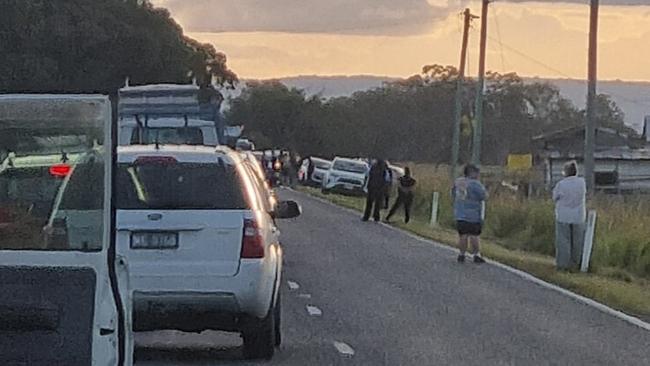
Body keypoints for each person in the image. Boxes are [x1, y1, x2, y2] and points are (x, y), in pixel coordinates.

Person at [552, 161, 586, 271]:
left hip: (563, 215)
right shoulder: (582, 182)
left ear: (566, 172)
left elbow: (554, 197)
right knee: (577, 241)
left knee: (563, 240)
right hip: (578, 216)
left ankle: (563, 264)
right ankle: (576, 263)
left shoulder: (561, 184)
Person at [452, 164, 487, 264]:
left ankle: (461, 254)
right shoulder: (475, 184)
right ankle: (476, 255)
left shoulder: (458, 182)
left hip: (460, 213)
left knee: (463, 235)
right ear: (472, 173)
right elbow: (484, 196)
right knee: (474, 235)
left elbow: (453, 193)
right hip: (473, 214)